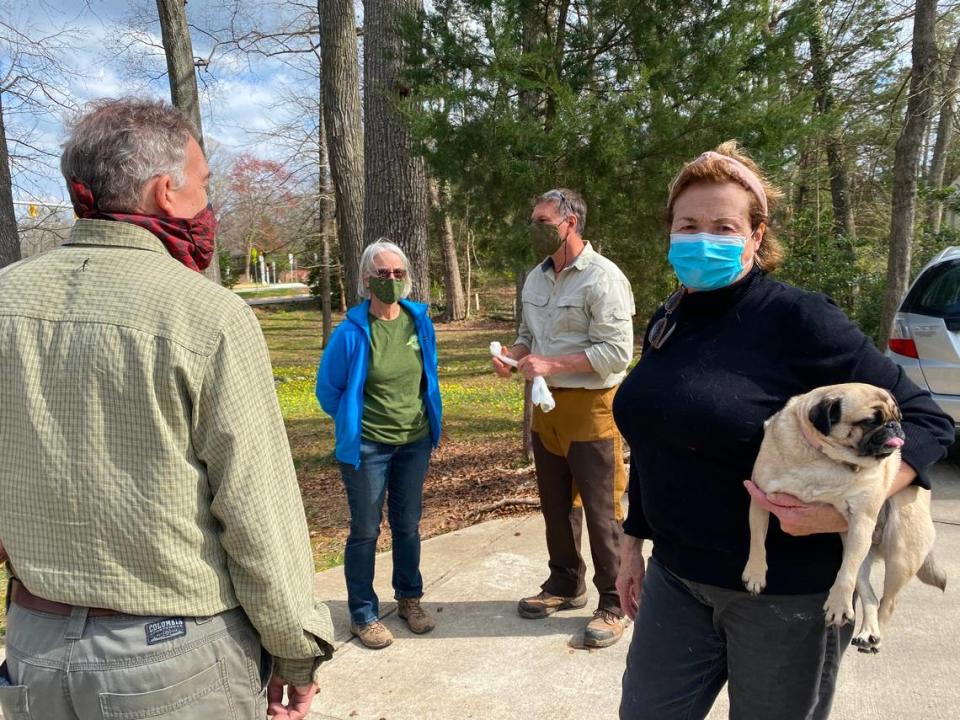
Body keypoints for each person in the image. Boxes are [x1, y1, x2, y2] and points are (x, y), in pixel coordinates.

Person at [0, 98, 333, 720]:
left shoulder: (6, 299)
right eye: (204, 185)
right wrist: (295, 650)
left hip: (32, 648)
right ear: (164, 192)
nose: (210, 205)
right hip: (173, 656)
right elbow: (256, 510)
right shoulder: (209, 314)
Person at [613, 142, 955, 720]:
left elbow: (926, 420)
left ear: (755, 235)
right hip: (677, 581)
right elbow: (654, 439)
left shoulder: (799, 318)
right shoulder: (669, 317)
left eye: (724, 225)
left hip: (788, 596)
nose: (703, 238)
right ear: (669, 231)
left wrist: (849, 506)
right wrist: (631, 544)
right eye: (688, 224)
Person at [492, 188, 636, 648]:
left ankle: (616, 602)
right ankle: (565, 582)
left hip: (591, 410)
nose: (534, 228)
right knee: (556, 507)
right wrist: (512, 356)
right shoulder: (536, 278)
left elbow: (616, 352)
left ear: (570, 222)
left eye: (542, 221)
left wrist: (552, 364)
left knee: (603, 513)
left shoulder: (603, 278)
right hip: (545, 409)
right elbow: (525, 335)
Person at [315, 240, 443, 650]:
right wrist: (357, 422)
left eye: (398, 273)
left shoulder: (419, 322)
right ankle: (363, 613)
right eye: (382, 273)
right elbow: (328, 391)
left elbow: (428, 375)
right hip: (368, 448)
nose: (391, 280)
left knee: (407, 524)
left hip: (414, 442)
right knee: (366, 530)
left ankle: (410, 599)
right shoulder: (351, 333)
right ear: (367, 279)